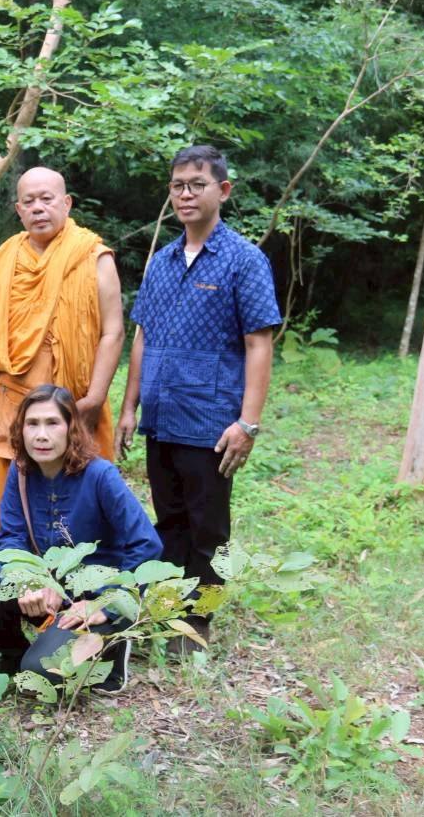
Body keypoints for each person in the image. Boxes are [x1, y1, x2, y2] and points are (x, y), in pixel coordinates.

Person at [116, 144, 281, 649]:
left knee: (209, 527)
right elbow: (142, 336)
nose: (186, 194)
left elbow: (259, 342)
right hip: (161, 415)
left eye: (197, 185)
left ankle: (200, 619)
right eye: (178, 186)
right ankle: (168, 611)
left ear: (223, 191)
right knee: (169, 520)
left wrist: (247, 423)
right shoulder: (162, 262)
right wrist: (128, 406)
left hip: (212, 420)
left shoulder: (243, 260)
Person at [0, 166, 124, 537]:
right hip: (11, 401)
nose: (38, 208)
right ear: (18, 210)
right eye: (29, 201)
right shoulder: (1, 263)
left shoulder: (94, 257)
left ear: (66, 203)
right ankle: (15, 561)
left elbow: (113, 332)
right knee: (14, 495)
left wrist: (94, 398)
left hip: (75, 400)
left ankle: (87, 563)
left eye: (47, 199)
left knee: (82, 488)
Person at [0, 384, 161, 693]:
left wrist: (104, 602)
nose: (41, 435)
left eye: (52, 423)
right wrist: (29, 581)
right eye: (32, 424)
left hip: (97, 593)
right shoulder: (21, 472)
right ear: (21, 429)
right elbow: (10, 539)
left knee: (39, 673)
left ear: (71, 428)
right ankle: (13, 656)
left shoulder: (100, 475)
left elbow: (147, 543)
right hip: (54, 589)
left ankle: (113, 647)